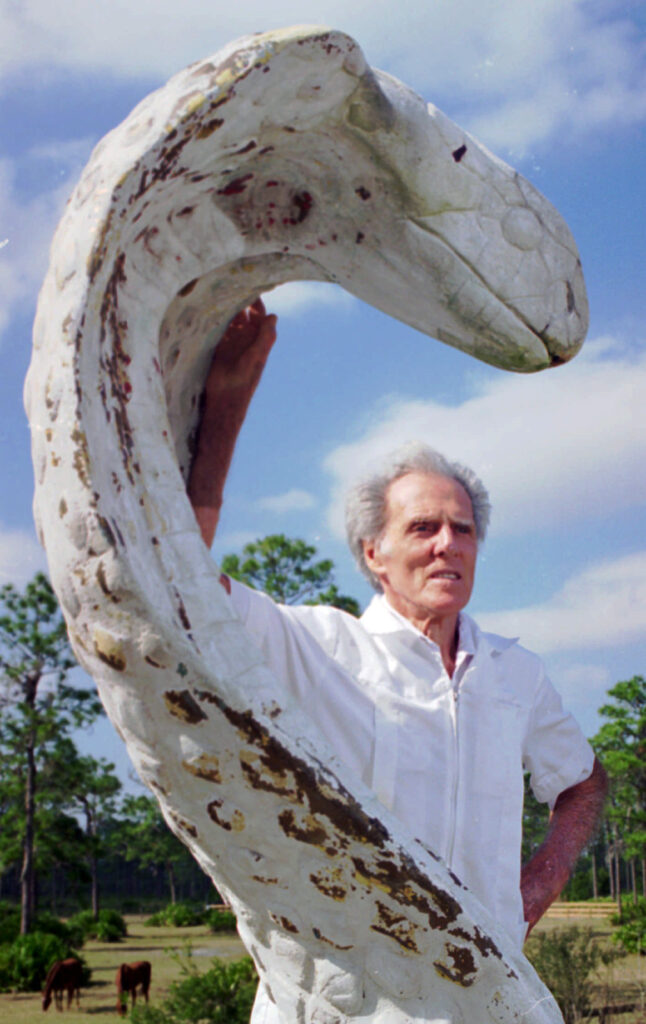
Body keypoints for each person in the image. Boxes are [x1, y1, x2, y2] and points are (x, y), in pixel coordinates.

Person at [188, 299, 607, 1023]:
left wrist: (534, 890)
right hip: (340, 1004)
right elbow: (180, 581)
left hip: (482, 998)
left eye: (463, 529)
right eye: (423, 527)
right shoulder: (316, 646)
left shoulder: (516, 673)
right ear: (373, 555)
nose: (448, 544)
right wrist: (227, 404)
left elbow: (584, 782)